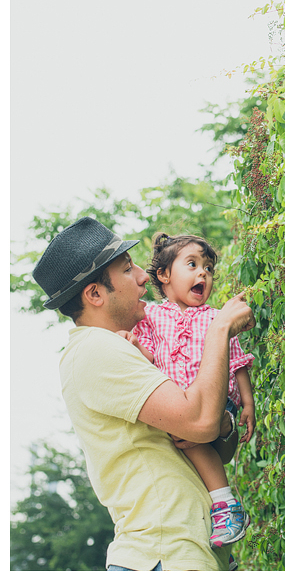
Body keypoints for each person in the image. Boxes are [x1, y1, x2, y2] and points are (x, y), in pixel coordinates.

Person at [31, 217, 254, 571]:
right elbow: (199, 422)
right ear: (95, 294)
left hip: (182, 554)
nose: (143, 276)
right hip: (162, 556)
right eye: (126, 269)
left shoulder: (134, 348)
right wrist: (220, 328)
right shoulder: (96, 349)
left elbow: (215, 443)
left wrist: (225, 424)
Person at [120, 232, 255, 548]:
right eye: (192, 265)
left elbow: (237, 361)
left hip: (215, 399)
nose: (202, 274)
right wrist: (135, 345)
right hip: (180, 401)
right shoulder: (152, 316)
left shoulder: (215, 317)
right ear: (164, 276)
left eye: (208, 268)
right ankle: (217, 507)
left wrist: (247, 403)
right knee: (184, 442)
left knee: (193, 442)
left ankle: (228, 506)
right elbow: (150, 356)